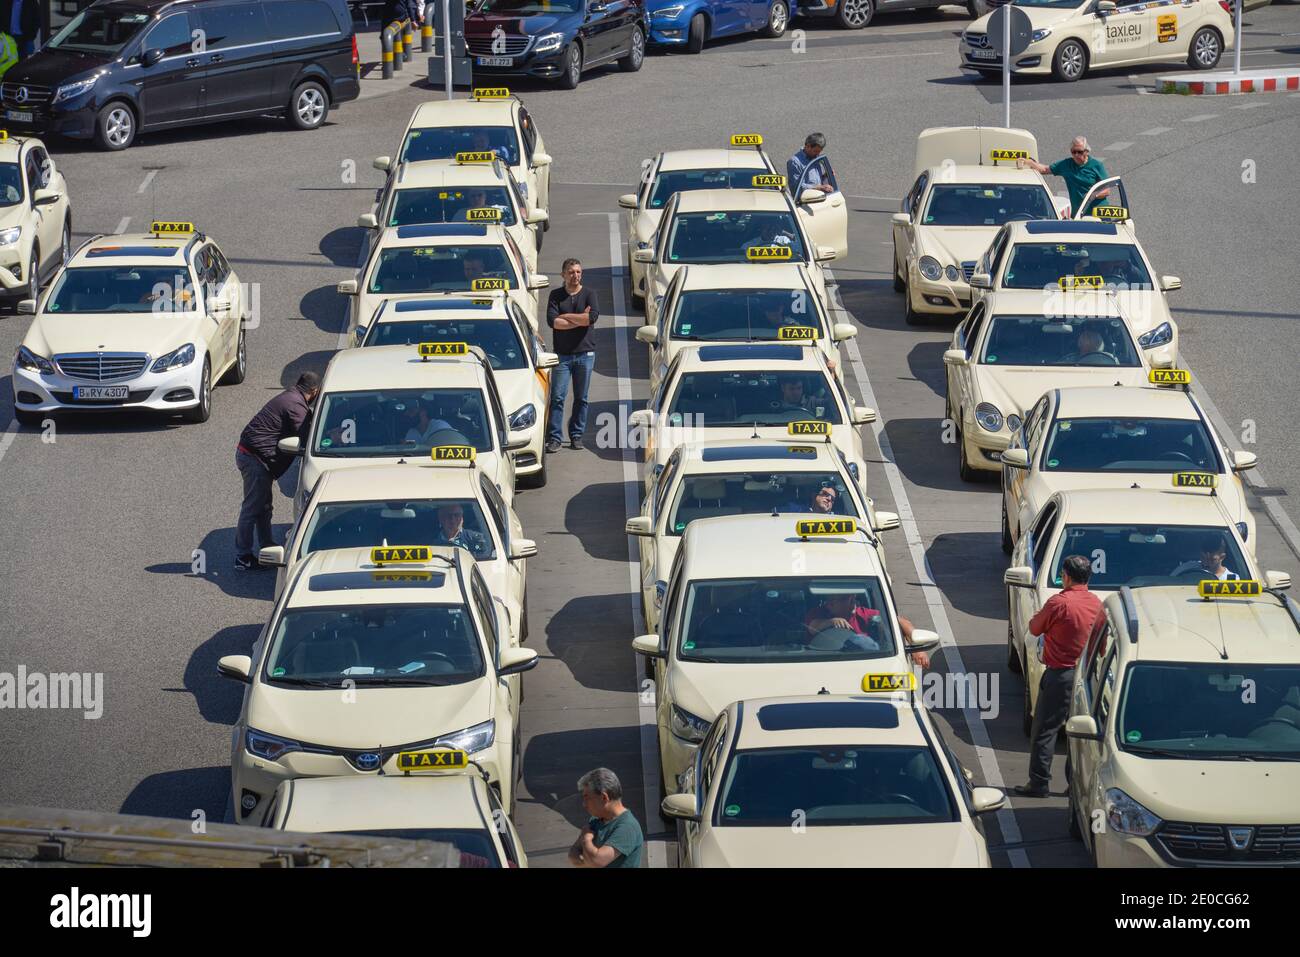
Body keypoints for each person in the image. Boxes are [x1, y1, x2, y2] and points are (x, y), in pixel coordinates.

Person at [1014, 554, 1103, 798]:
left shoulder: (1059, 603)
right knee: (1079, 734)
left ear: (1065, 576)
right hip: (1087, 678)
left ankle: (1039, 782)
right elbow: (1102, 646)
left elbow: (1034, 628)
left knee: (1045, 730)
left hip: (1060, 675)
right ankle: (1074, 785)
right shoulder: (1097, 605)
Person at [235, 373, 320, 570]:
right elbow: (307, 436)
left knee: (263, 507)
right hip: (254, 459)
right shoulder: (295, 405)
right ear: (314, 391)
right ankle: (242, 556)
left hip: (254, 457)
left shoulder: (291, 397)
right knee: (251, 508)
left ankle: (267, 547)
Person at [546, 257, 598, 452]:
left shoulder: (589, 294)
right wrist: (579, 319)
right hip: (562, 356)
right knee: (558, 397)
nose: (575, 275)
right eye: (571, 272)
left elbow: (590, 319)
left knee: (581, 398)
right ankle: (555, 437)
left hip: (585, 354)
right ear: (563, 275)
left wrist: (565, 316)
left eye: (578, 272)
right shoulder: (555, 295)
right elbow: (554, 322)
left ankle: (576, 435)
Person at [804, 592, 931, 668]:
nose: (852, 599)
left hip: (864, 662)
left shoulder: (865, 614)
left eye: (851, 596)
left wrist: (918, 650)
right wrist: (830, 622)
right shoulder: (818, 614)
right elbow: (812, 627)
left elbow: (902, 622)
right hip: (822, 662)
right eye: (843, 598)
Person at [567, 768, 643, 869]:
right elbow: (573, 855)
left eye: (587, 797)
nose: (584, 804)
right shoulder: (596, 819)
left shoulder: (627, 827)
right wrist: (589, 860)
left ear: (604, 797)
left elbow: (597, 861)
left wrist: (586, 839)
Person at [1018, 137, 1109, 217]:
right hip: (1078, 213)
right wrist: (1030, 163)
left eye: (1079, 152)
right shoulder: (1066, 164)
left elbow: (1107, 190)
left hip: (1098, 213)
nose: (1076, 155)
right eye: (1073, 152)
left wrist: (1092, 195)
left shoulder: (1096, 165)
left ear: (1086, 151)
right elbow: (1045, 169)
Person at [1170, 533, 1240, 582]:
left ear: (1222, 557)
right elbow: (1170, 581)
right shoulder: (1187, 567)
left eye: (1212, 559)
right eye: (1203, 557)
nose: (1206, 563)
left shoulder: (1231, 579)